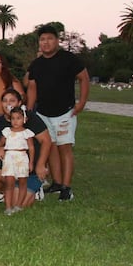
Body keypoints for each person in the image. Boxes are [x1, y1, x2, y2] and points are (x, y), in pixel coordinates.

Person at [26, 24, 90, 201]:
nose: (46, 42)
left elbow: (84, 78)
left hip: (65, 113)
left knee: (65, 148)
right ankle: (56, 182)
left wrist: (82, 103)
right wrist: (30, 112)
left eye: (49, 38)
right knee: (51, 148)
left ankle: (66, 188)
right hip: (44, 113)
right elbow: (32, 88)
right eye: (42, 39)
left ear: (57, 40)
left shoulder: (69, 59)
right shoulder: (36, 64)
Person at [0, 89, 52, 208]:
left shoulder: (31, 119)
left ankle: (34, 189)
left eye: (12, 101)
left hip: (29, 169)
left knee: (18, 204)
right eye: (4, 101)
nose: (8, 104)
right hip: (9, 166)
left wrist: (40, 164)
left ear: (19, 103)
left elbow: (46, 141)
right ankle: (6, 190)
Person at [0, 107, 35, 215]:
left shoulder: (27, 133)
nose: (15, 121)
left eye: (18, 118)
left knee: (23, 182)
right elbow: (0, 143)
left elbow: (31, 148)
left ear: (24, 119)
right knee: (9, 183)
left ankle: (19, 205)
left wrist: (31, 162)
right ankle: (8, 207)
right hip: (9, 157)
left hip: (22, 157)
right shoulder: (7, 132)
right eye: (13, 118)